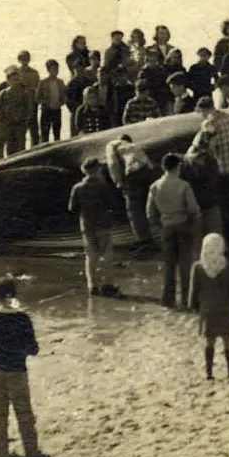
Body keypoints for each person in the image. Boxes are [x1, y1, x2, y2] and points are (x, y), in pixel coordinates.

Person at [0, 276, 54, 457]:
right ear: (14, 295)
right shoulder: (22, 319)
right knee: (24, 412)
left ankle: (1, 453)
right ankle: (31, 452)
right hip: (17, 369)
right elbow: (33, 348)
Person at [148, 152, 202, 309]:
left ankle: (168, 300)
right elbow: (193, 208)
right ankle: (188, 300)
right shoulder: (184, 185)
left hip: (166, 226)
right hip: (183, 224)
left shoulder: (155, 186)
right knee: (186, 265)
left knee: (169, 265)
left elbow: (150, 211)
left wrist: (158, 226)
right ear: (177, 167)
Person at [197, 97, 229, 257]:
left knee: (225, 211)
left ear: (205, 110)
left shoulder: (209, 123)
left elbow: (204, 148)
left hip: (223, 171)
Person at [191, 233, 229, 380]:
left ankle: (209, 372)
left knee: (209, 340)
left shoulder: (198, 267)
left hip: (207, 309)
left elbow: (194, 289)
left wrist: (194, 306)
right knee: (228, 339)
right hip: (225, 307)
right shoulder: (226, 266)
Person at [69, 158, 121, 297]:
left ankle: (92, 286)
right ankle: (107, 285)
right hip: (103, 225)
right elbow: (112, 204)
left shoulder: (77, 188)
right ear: (97, 170)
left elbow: (72, 208)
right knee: (107, 256)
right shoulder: (103, 187)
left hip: (86, 226)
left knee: (91, 257)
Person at [108, 134, 158, 253]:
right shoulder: (135, 146)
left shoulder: (112, 145)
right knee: (150, 203)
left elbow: (112, 164)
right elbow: (148, 163)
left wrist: (118, 183)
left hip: (133, 175)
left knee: (134, 208)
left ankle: (144, 240)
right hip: (147, 171)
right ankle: (158, 233)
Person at [181, 129, 225, 240]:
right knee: (214, 237)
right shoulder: (208, 159)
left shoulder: (187, 158)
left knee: (197, 238)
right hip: (209, 202)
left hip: (195, 203)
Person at [0, 66, 30, 160]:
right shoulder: (3, 94)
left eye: (17, 80)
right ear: (8, 81)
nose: (16, 82)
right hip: (8, 125)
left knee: (21, 149)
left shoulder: (23, 93)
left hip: (20, 125)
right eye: (14, 80)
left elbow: (28, 109)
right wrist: (3, 122)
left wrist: (25, 121)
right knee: (10, 149)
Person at [16, 50, 42, 148]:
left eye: (27, 58)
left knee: (34, 131)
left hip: (32, 105)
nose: (25, 60)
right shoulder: (16, 73)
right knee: (21, 133)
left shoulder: (34, 73)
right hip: (20, 106)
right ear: (19, 60)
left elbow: (38, 88)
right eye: (23, 58)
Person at [37, 60, 67, 142]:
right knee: (45, 135)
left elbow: (64, 97)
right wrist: (47, 103)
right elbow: (37, 98)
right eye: (53, 69)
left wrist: (60, 103)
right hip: (46, 110)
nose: (56, 71)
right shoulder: (43, 83)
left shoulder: (60, 82)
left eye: (57, 69)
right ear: (48, 70)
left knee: (57, 134)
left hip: (57, 110)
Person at [141, 46, 173, 116]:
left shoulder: (162, 71)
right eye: (150, 60)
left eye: (155, 59)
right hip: (149, 100)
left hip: (162, 99)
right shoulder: (143, 73)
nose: (153, 62)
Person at [65, 63, 95, 136]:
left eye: (81, 69)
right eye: (77, 70)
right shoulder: (71, 84)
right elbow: (68, 100)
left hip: (88, 110)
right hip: (75, 110)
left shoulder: (88, 81)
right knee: (75, 132)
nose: (79, 72)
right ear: (74, 71)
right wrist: (76, 109)